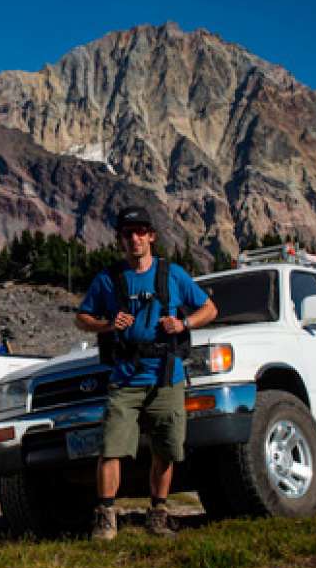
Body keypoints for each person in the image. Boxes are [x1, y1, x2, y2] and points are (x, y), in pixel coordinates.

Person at [74, 206, 217, 539]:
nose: (134, 239)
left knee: (166, 450)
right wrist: (107, 325)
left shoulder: (173, 275)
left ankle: (158, 514)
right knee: (111, 448)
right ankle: (106, 516)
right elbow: (82, 318)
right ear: (120, 239)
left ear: (152, 236)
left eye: (140, 232)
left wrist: (184, 323)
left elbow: (209, 308)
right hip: (124, 378)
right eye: (128, 233)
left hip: (167, 376)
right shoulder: (108, 279)